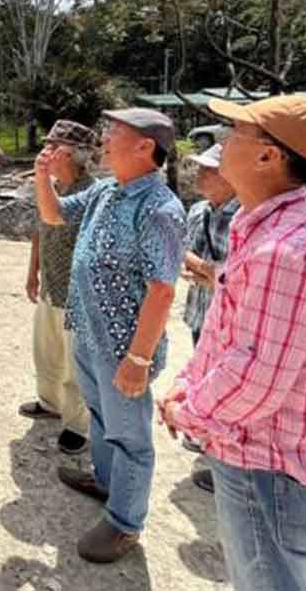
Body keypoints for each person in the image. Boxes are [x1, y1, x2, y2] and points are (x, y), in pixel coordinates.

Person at [160, 95, 306, 591]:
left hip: (267, 466)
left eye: (234, 135)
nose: (221, 147)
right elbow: (225, 333)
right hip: (258, 457)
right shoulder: (264, 228)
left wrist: (187, 409)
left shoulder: (286, 250)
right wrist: (187, 381)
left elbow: (255, 375)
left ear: (269, 156)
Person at [33, 108, 186, 563]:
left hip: (124, 349)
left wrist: (138, 361)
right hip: (88, 333)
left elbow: (162, 289)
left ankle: (125, 522)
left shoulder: (158, 208)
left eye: (115, 133)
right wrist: (42, 175)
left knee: (131, 437)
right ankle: (104, 479)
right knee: (101, 418)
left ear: (145, 147)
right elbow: (54, 214)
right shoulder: (106, 192)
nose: (104, 140)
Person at [20, 120, 97, 455]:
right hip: (51, 286)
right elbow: (41, 229)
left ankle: (77, 425)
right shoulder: (51, 189)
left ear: (71, 155)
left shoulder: (92, 194)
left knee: (75, 363)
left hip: (77, 294)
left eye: (54, 147)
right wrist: (32, 272)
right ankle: (49, 403)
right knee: (47, 351)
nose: (46, 152)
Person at [180, 143, 239, 494]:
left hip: (231, 319)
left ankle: (224, 460)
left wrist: (210, 272)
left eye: (209, 169)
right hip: (201, 308)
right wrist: (209, 271)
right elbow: (182, 249)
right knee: (203, 372)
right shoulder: (198, 210)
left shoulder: (246, 217)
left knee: (227, 384)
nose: (200, 174)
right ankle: (205, 437)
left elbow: (243, 277)